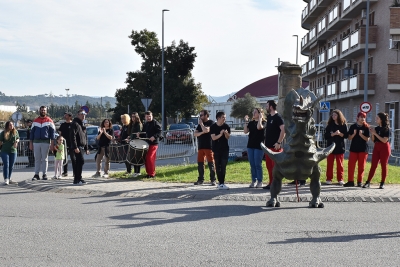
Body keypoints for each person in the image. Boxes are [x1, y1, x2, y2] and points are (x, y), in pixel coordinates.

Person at [363, 112, 391, 189]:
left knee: (383, 165)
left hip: (384, 148)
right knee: (373, 165)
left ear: (381, 119)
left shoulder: (386, 129)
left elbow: (384, 140)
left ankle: (382, 183)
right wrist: (372, 134)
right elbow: (373, 140)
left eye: (377, 118)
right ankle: (368, 182)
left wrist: (375, 134)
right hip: (377, 147)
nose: (376, 119)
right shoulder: (376, 128)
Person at [263, 100, 285, 190]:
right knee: (269, 166)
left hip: (275, 146)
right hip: (268, 146)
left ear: (271, 106)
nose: (266, 107)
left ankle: (276, 183)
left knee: (274, 167)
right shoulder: (269, 117)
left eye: (267, 105)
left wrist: (279, 142)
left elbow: (283, 130)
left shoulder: (278, 117)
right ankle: (271, 182)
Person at [29, 106, 56, 181]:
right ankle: (36, 174)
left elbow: (52, 133)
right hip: (36, 142)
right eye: (42, 110)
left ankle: (44, 174)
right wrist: (31, 143)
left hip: (46, 142)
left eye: (44, 110)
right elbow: (32, 133)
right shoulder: (35, 121)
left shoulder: (49, 121)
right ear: (39, 111)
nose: (43, 111)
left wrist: (52, 143)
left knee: (44, 159)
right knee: (37, 159)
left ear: (46, 111)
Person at [344, 112, 370, 187]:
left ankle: (359, 181)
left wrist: (361, 135)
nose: (363, 119)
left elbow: (367, 139)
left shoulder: (366, 127)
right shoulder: (353, 126)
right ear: (357, 118)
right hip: (354, 149)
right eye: (361, 117)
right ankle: (350, 181)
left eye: (364, 117)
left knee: (361, 166)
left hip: (363, 149)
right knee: (351, 165)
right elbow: (349, 138)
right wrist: (354, 134)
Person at [324, 109, 348, 185]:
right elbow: (325, 136)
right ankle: (329, 179)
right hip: (330, 147)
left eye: (335, 115)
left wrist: (340, 134)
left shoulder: (343, 125)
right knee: (330, 163)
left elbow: (346, 135)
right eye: (332, 115)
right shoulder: (330, 125)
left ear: (339, 116)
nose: (333, 116)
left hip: (340, 147)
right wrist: (333, 134)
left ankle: (340, 179)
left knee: (340, 164)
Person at [244, 108, 266, 188]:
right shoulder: (251, 123)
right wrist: (246, 121)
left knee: (257, 164)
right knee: (252, 164)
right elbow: (245, 131)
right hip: (250, 145)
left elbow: (259, 127)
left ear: (260, 113)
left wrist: (260, 118)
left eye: (256, 112)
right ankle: (254, 180)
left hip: (259, 146)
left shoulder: (264, 122)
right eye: (253, 112)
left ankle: (260, 181)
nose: (253, 113)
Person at [193, 110, 216, 186]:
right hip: (200, 146)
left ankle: (213, 179)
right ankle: (200, 179)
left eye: (202, 115)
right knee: (200, 163)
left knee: (211, 163)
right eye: (200, 115)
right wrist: (202, 132)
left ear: (206, 115)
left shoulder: (211, 123)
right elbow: (195, 134)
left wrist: (202, 125)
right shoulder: (199, 125)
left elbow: (206, 130)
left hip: (209, 146)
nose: (200, 117)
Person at [210, 111, 230, 190]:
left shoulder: (226, 126)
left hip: (225, 149)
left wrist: (226, 134)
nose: (224, 119)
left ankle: (222, 182)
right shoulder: (213, 127)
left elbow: (228, 137)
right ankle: (220, 182)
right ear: (218, 118)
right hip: (216, 149)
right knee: (218, 166)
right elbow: (213, 138)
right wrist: (221, 134)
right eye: (223, 117)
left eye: (225, 117)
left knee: (223, 165)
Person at [138, 111, 161, 178]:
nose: (148, 118)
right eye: (147, 116)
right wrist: (140, 134)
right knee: (146, 158)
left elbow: (159, 132)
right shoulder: (146, 124)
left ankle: (152, 174)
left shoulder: (155, 123)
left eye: (149, 116)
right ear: (145, 117)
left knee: (150, 158)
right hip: (147, 143)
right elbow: (144, 133)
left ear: (152, 116)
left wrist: (154, 137)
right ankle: (148, 173)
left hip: (154, 144)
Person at [70, 109, 90, 185]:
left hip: (82, 146)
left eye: (84, 114)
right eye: (81, 114)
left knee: (79, 162)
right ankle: (77, 179)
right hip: (77, 147)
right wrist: (75, 147)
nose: (83, 115)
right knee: (80, 161)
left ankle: (78, 178)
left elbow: (85, 137)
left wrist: (86, 148)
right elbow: (72, 136)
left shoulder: (82, 125)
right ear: (77, 115)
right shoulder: (74, 123)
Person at [0, 121, 20, 185]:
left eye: (12, 125)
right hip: (5, 151)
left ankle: (9, 178)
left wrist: (16, 141)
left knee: (11, 166)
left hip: (13, 151)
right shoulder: (3, 133)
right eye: (10, 125)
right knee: (6, 164)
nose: (11, 126)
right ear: (7, 126)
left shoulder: (15, 132)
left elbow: (18, 138)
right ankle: (6, 179)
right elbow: (0, 141)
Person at [58, 111, 73, 177]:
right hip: (64, 144)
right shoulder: (63, 125)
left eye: (66, 115)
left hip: (72, 143)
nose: (65, 116)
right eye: (65, 115)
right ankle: (65, 172)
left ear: (70, 116)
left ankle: (75, 172)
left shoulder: (73, 124)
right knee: (64, 158)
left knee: (73, 158)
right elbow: (60, 134)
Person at [129, 112, 143, 177]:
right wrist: (129, 138)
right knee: (134, 157)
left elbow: (139, 133)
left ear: (137, 117)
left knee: (137, 157)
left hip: (138, 142)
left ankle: (138, 172)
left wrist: (137, 135)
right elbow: (132, 133)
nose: (133, 118)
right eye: (132, 116)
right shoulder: (132, 124)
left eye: (134, 116)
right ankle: (135, 172)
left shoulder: (139, 124)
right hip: (133, 142)